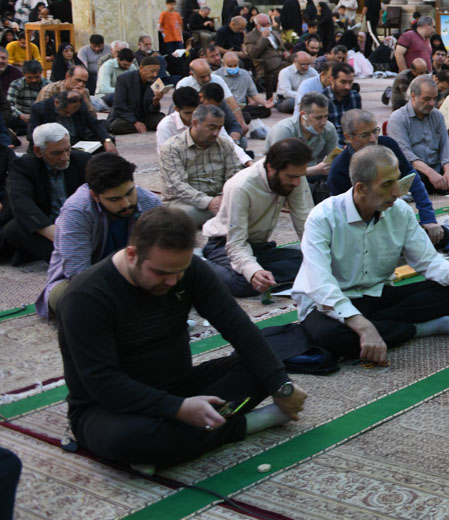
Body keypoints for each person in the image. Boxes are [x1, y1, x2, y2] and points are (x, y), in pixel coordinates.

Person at [55, 206, 307, 468]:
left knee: (265, 366)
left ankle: (180, 440)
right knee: (132, 440)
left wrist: (281, 385)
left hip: (181, 385)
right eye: (161, 273)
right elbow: (103, 382)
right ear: (132, 255)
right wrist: (178, 408)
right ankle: (243, 425)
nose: (173, 281)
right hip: (110, 407)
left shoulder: (188, 269)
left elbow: (239, 328)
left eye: (179, 272)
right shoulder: (86, 297)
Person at [293, 146, 449, 361]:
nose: (397, 192)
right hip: (328, 304)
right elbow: (321, 286)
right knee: (328, 335)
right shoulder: (323, 217)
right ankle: (417, 329)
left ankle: (380, 329)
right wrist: (361, 325)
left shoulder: (400, 211)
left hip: (376, 294)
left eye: (397, 181)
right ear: (361, 188)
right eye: (387, 185)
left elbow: (428, 261)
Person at [39, 151, 162, 320]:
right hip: (81, 283)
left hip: (133, 275)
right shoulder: (76, 212)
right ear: (95, 196)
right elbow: (78, 274)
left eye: (129, 193)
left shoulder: (150, 202)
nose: (126, 204)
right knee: (76, 302)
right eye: (115, 199)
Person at [202, 138, 314, 298]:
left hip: (259, 246)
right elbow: (236, 243)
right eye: (291, 177)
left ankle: (261, 271)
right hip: (224, 244)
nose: (297, 182)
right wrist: (254, 272)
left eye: (300, 176)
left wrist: (320, 258)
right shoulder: (241, 187)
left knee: (311, 262)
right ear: (271, 168)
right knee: (243, 283)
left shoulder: (295, 177)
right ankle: (200, 266)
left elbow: (305, 221)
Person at [329, 109, 444, 247]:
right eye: (365, 135)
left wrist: (428, 218)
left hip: (389, 215)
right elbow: (343, 216)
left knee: (438, 236)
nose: (373, 139)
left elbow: (412, 178)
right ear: (348, 137)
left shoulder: (388, 145)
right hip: (361, 230)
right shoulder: (339, 169)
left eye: (375, 131)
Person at [0, 125, 89, 264]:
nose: (65, 157)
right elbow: (21, 202)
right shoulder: (23, 166)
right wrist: (54, 233)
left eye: (68, 150)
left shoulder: (82, 160)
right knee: (15, 228)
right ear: (38, 151)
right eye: (56, 153)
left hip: (73, 224)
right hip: (42, 226)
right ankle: (66, 259)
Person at [388, 75, 449, 192]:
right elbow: (405, 155)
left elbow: (445, 147)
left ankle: (438, 184)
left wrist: (448, 172)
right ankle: (445, 184)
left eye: (434, 98)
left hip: (437, 166)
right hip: (416, 169)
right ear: (413, 96)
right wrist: (431, 173)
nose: (432, 103)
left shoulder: (437, 115)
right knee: (411, 177)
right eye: (427, 99)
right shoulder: (398, 118)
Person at [158, 104, 243, 227]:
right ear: (195, 123)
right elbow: (177, 186)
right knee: (181, 216)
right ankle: (227, 215)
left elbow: (234, 176)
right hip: (185, 203)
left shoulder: (225, 144)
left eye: (219, 128)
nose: (216, 133)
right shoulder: (172, 148)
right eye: (211, 127)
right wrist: (209, 202)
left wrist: (223, 197)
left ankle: (225, 214)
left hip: (220, 200)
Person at [265, 92, 339, 201]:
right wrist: (315, 170)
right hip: (284, 180)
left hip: (313, 177)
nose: (323, 122)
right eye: (318, 118)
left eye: (326, 116)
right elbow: (278, 170)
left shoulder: (328, 128)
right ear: (303, 115)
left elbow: (335, 159)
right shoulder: (284, 130)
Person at [29, 86, 113, 152]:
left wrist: (107, 140)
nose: (69, 115)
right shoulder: (40, 109)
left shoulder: (79, 105)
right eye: (66, 112)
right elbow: (31, 135)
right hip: (54, 144)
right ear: (56, 103)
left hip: (76, 142)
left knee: (108, 142)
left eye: (72, 113)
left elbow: (94, 124)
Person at [107, 55, 166, 135]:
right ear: (141, 68)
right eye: (152, 71)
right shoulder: (124, 79)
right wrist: (134, 121)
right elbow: (119, 105)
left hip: (144, 117)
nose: (155, 74)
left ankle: (141, 127)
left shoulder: (154, 82)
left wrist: (156, 101)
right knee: (116, 126)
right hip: (126, 117)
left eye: (157, 72)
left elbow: (152, 111)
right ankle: (140, 127)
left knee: (163, 121)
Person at [218, 51, 273, 120]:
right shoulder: (217, 76)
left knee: (266, 111)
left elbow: (254, 94)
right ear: (223, 64)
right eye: (230, 66)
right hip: (226, 107)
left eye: (235, 65)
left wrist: (265, 103)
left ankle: (237, 116)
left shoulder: (245, 74)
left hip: (242, 106)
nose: (233, 68)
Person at [244, 13, 287, 92]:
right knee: (292, 68)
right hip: (269, 63)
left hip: (283, 59)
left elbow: (281, 46)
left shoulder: (274, 32)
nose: (267, 27)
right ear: (257, 25)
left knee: (301, 58)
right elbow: (253, 53)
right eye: (263, 25)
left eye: (268, 24)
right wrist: (263, 38)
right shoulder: (250, 36)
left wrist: (286, 52)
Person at [93, 44, 132, 110]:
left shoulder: (132, 67)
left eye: (129, 65)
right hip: (104, 96)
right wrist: (124, 91)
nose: (127, 67)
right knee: (118, 97)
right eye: (125, 65)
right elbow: (105, 89)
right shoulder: (107, 66)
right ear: (118, 60)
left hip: (124, 94)